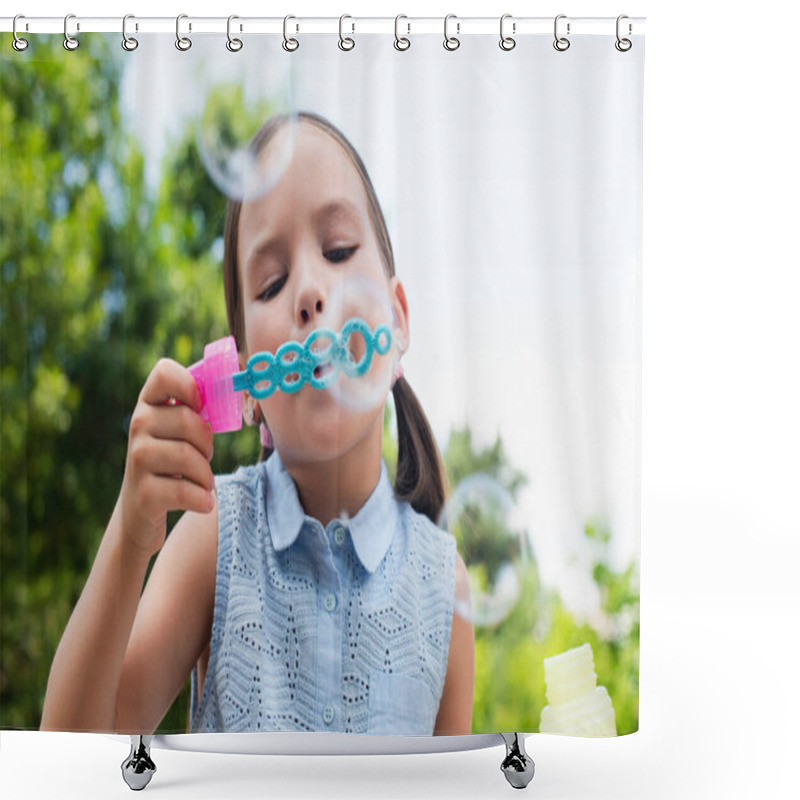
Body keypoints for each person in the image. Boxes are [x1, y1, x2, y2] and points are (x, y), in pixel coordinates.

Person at [41, 111, 474, 736]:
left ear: (397, 320)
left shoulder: (443, 587)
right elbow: (70, 752)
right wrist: (132, 537)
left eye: (340, 250)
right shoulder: (214, 536)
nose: (308, 292)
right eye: (271, 283)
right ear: (247, 382)